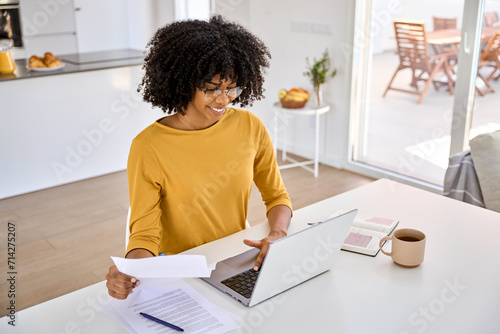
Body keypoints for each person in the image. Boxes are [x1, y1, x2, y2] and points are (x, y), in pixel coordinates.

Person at [106, 15, 292, 300]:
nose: (224, 99)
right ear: (183, 82)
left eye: (232, 87)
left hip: (234, 258)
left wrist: (277, 233)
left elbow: (277, 196)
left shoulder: (250, 126)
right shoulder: (148, 146)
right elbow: (145, 233)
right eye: (212, 89)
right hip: (180, 270)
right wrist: (130, 271)